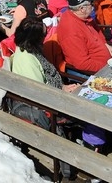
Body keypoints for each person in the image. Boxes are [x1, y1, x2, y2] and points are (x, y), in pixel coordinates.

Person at [10, 17, 79, 181]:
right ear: (35, 38)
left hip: (54, 94)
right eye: (43, 35)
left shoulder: (32, 50)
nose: (45, 37)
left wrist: (63, 88)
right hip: (45, 103)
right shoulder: (26, 58)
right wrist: (63, 93)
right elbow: (39, 93)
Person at [57, 0, 112, 73]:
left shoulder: (84, 16)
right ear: (82, 8)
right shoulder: (71, 31)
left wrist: (106, 45)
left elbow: (97, 31)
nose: (94, 4)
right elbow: (82, 64)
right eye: (92, 3)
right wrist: (107, 67)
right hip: (92, 72)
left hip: (106, 61)